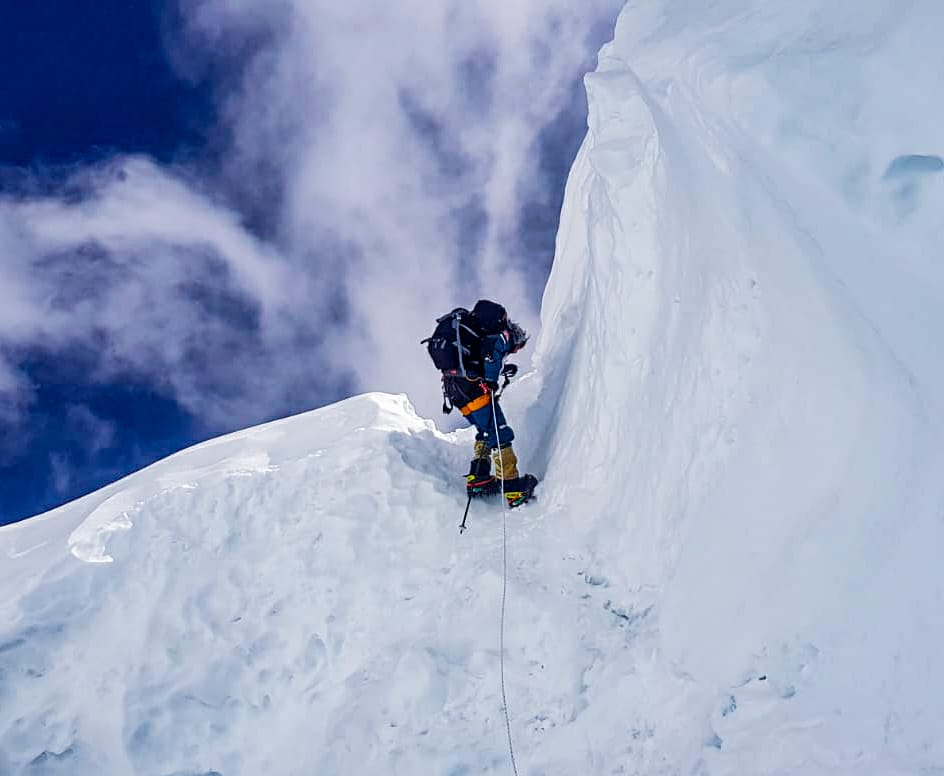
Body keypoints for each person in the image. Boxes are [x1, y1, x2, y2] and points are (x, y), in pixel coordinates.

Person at [429, 299, 537, 507]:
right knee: (499, 430)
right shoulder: (504, 335)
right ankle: (513, 488)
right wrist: (490, 379)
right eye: (516, 350)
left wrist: (498, 372)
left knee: (485, 429)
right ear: (517, 338)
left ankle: (478, 478)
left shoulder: (472, 330)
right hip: (472, 388)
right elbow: (491, 353)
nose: (513, 353)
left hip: (455, 390)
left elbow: (483, 356)